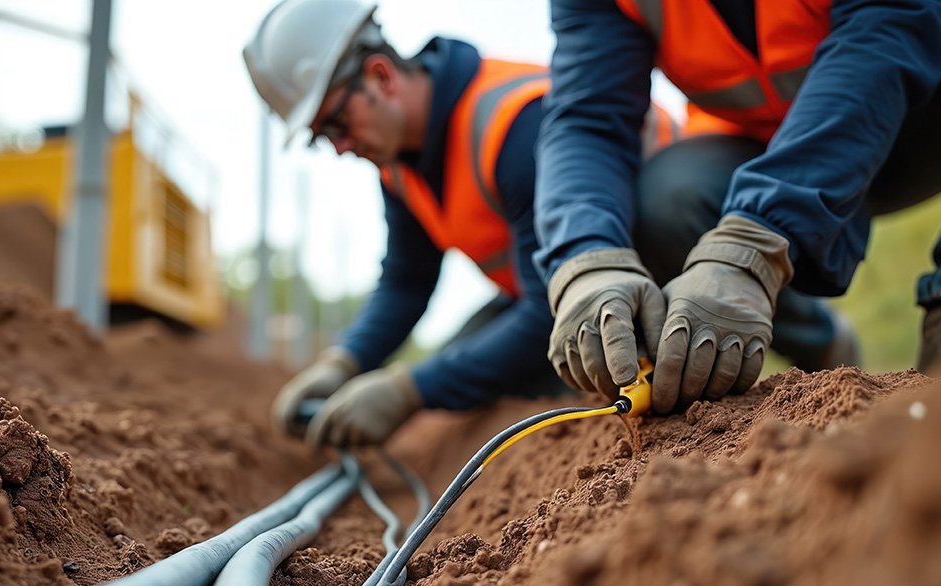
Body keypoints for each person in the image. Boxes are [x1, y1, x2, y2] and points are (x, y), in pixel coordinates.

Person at [536, 0, 941, 415]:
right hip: (764, 150)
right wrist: (585, 260)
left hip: (919, 113)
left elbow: (886, 27)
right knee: (666, 199)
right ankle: (819, 343)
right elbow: (587, 118)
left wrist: (752, 241)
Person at [244, 0, 685, 448]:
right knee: (461, 359)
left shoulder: (513, 124)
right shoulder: (397, 164)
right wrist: (343, 363)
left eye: (337, 123)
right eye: (324, 138)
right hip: (558, 294)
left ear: (381, 76)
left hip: (670, 243)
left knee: (463, 373)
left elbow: (549, 311)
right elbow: (406, 281)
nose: (340, 148)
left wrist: (409, 391)